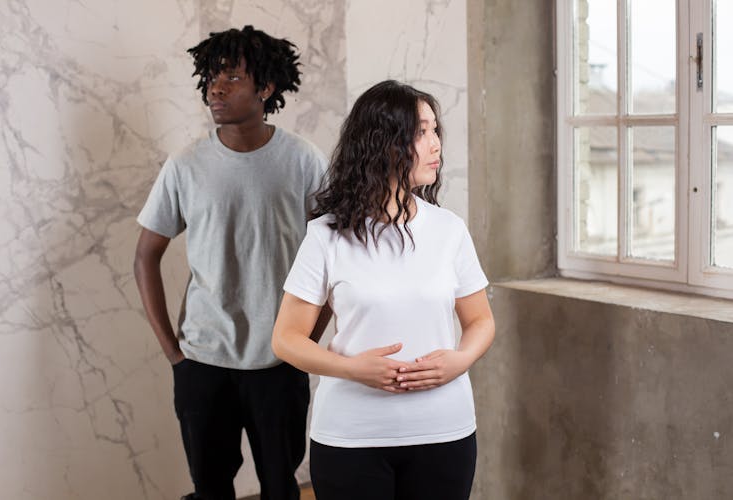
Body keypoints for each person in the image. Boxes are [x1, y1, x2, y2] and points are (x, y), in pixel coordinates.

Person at [271, 80, 496, 500]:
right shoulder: (325, 235)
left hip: (443, 432)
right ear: (384, 143)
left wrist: (460, 360)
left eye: (436, 131)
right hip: (351, 437)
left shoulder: (449, 230)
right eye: (421, 132)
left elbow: (481, 320)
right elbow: (286, 339)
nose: (436, 146)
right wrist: (352, 368)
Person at [133, 25, 327, 500]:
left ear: (266, 88)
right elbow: (145, 256)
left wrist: (304, 345)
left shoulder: (303, 162)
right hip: (202, 361)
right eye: (211, 77)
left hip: (278, 363)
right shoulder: (185, 165)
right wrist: (174, 356)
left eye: (232, 78)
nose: (215, 88)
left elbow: (336, 261)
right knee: (210, 489)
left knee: (281, 488)